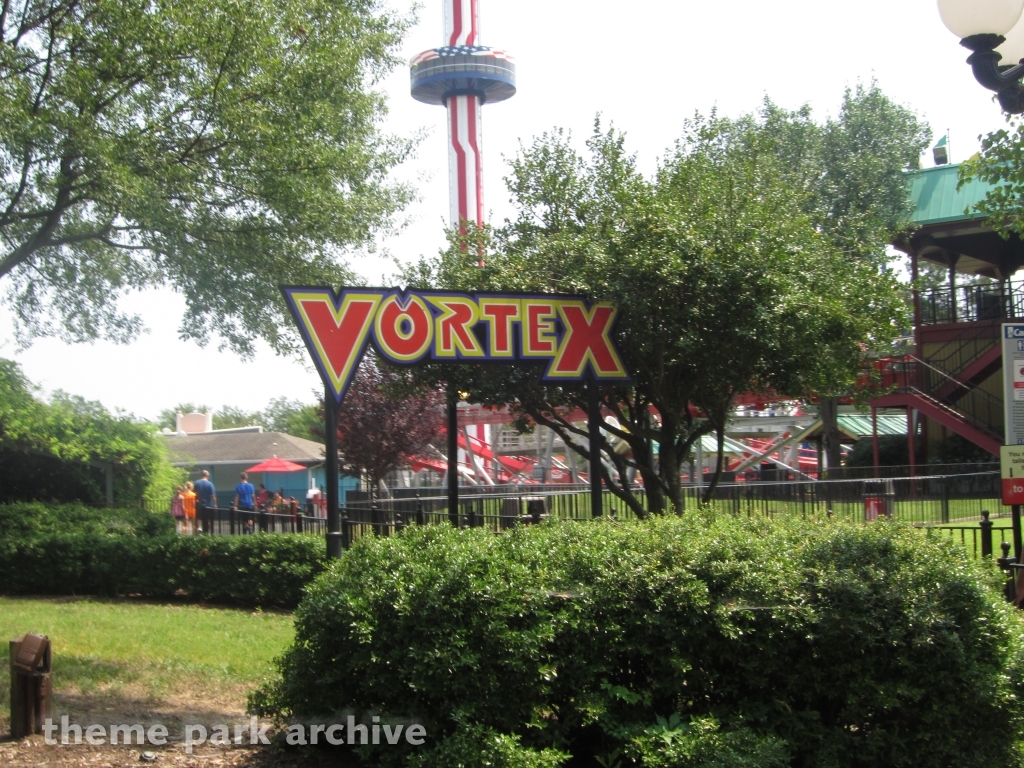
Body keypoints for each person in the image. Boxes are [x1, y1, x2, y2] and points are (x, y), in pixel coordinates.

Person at [194, 470, 217, 534]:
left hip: (198, 504)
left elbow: (194, 494)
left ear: (201, 475)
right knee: (207, 520)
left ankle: (198, 529)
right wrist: (215, 505)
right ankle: (206, 532)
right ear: (207, 476)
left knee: (198, 518)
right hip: (208, 505)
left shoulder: (196, 483)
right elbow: (213, 496)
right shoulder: (210, 484)